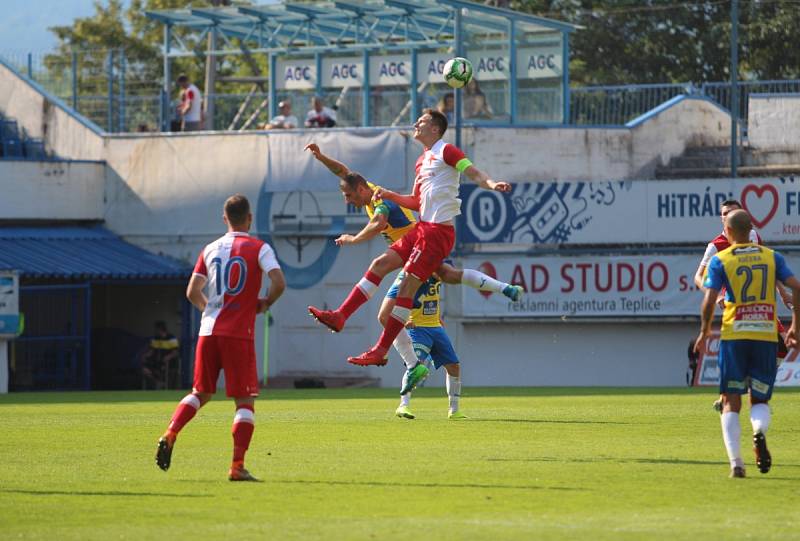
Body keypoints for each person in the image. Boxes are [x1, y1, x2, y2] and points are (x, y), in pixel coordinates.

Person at [307, 109, 511, 371]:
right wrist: (392, 195)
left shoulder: (447, 151)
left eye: (422, 121)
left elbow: (472, 172)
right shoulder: (420, 162)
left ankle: (383, 351)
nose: (416, 123)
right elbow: (415, 201)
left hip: (437, 232)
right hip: (423, 230)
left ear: (435, 128)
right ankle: (340, 316)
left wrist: (492, 184)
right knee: (383, 264)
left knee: (409, 291)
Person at [155, 194, 286, 482]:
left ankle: (170, 432)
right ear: (249, 218)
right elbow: (278, 281)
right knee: (244, 402)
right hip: (238, 334)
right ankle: (237, 466)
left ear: (224, 218)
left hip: (208, 330)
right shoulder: (258, 247)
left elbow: (192, 292)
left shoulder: (210, 248)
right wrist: (265, 303)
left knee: (200, 393)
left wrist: (213, 308)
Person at [694, 209, 800, 478]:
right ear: (752, 230)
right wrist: (794, 326)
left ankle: (736, 463)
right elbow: (796, 288)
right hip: (765, 335)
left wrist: (705, 331)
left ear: (727, 233)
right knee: (759, 400)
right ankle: (759, 432)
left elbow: (708, 299)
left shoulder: (721, 259)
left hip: (734, 336)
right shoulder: (771, 256)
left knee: (730, 402)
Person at [694, 199, 792, 412]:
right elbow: (698, 277)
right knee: (739, 353)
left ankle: (753, 392)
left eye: (730, 211)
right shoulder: (715, 246)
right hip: (735, 307)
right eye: (723, 212)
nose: (726, 215)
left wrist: (783, 293)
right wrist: (717, 294)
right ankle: (731, 397)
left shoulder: (753, 236)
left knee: (783, 347)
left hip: (762, 303)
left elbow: (767, 266)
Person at [388, 272, 466, 420]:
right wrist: (404, 320)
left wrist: (437, 317)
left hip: (435, 328)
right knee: (415, 366)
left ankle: (454, 411)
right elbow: (394, 301)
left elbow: (432, 298)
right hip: (417, 328)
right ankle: (403, 405)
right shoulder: (410, 274)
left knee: (454, 366)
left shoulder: (437, 272)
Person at [142, 321, 180, 389]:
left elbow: (175, 352)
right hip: (157, 361)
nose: (155, 331)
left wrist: (168, 357)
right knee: (145, 368)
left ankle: (163, 384)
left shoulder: (171, 338)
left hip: (168, 363)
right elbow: (152, 350)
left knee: (165, 369)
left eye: (156, 329)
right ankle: (157, 382)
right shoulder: (156, 338)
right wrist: (145, 356)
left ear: (160, 329)